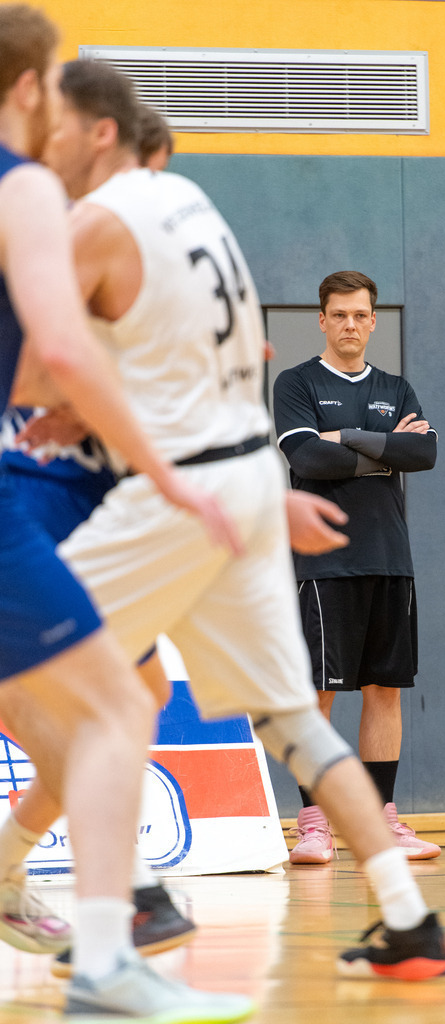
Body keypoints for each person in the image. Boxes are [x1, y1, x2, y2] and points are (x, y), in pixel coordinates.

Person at [14, 59, 445, 983]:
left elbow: (51, 356)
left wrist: (66, 401)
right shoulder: (200, 218)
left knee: (67, 686)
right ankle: (410, 922)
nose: (44, 154)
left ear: (99, 136)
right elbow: (240, 348)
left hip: (184, 495)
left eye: (58, 136)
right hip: (249, 484)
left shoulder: (97, 222)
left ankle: (120, 914)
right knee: (292, 717)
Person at [0, 6, 253, 1022]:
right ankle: (107, 963)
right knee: (118, 704)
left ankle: (58, 898)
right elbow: (59, 349)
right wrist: (171, 470)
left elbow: (36, 371)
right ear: (30, 88)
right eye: (56, 79)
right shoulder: (21, 188)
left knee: (79, 715)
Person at [0, 104, 196, 971]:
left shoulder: (125, 245)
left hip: (81, 505)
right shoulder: (44, 209)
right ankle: (128, 916)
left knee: (127, 703)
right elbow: (51, 367)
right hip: (30, 494)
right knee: (92, 710)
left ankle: (15, 875)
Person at [273, 271, 441, 865]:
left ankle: (381, 820)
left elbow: (423, 452)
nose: (349, 324)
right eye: (338, 314)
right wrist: (380, 446)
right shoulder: (295, 383)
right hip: (323, 564)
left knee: (385, 691)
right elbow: (307, 457)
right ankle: (314, 823)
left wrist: (345, 435)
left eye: (360, 315)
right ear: (321, 319)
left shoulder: (397, 387)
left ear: (373, 321)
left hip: (390, 559)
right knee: (319, 693)